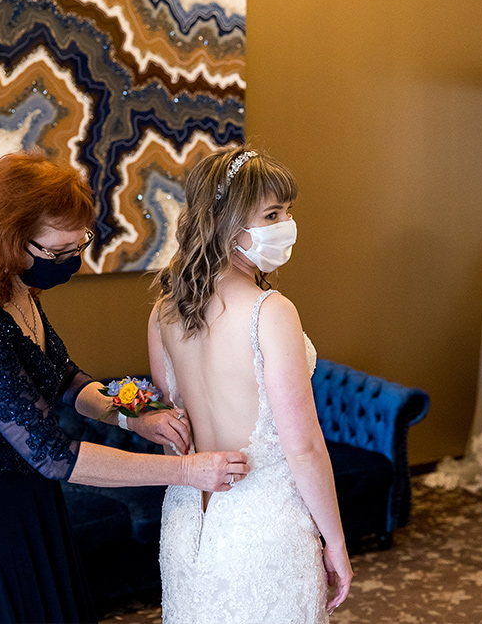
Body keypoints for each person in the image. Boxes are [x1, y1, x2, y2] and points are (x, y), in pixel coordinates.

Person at [0, 151, 250, 623]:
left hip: (30, 506)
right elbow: (55, 455)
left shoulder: (18, 291)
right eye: (59, 252)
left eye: (79, 244)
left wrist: (135, 417)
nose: (72, 261)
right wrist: (187, 471)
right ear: (10, 238)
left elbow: (67, 381)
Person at [150, 146, 352, 623]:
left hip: (187, 523)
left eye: (287, 212)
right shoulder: (271, 312)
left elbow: (171, 432)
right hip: (264, 527)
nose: (287, 224)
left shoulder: (164, 311)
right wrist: (336, 541)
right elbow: (302, 446)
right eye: (273, 214)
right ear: (227, 223)